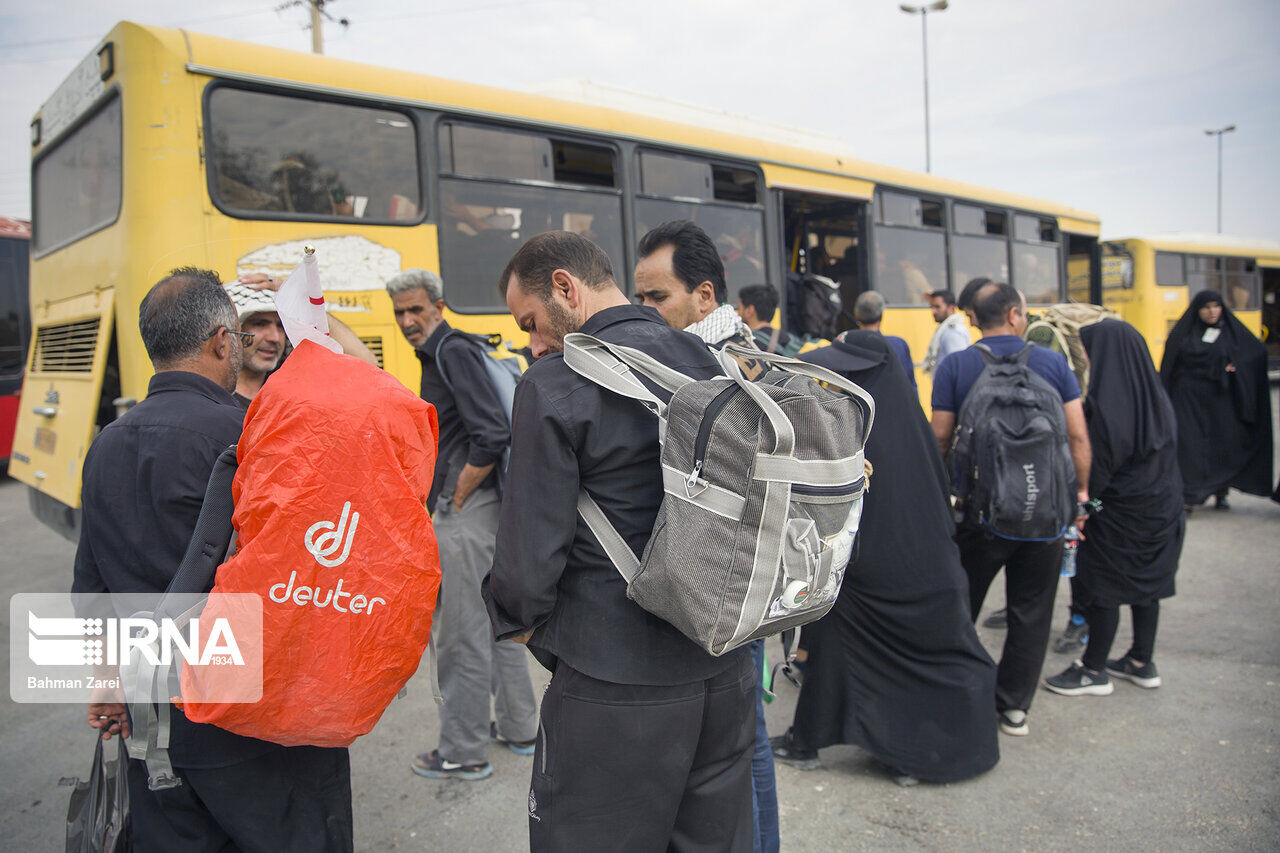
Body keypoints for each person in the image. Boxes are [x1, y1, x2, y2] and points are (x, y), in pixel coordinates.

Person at [486, 231, 756, 851]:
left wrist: (527, 629)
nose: (533, 342)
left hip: (613, 680)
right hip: (725, 669)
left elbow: (526, 564)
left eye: (532, 322)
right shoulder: (707, 359)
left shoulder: (554, 383)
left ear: (565, 287)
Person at [73, 267, 353, 851]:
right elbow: (309, 574)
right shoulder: (249, 434)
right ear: (222, 342)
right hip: (255, 718)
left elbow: (91, 584)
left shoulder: (105, 444)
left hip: (151, 723)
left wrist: (105, 678)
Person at [770, 330, 999, 785]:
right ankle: (808, 738)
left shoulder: (866, 425)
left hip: (885, 579)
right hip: (912, 573)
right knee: (839, 644)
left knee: (860, 649)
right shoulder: (904, 422)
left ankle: (900, 751)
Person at [635, 220, 777, 852]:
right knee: (745, 743)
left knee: (736, 749)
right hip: (738, 578)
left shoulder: (726, 367)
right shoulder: (717, 354)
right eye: (639, 298)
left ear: (705, 296)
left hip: (728, 581)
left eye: (657, 298)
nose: (645, 312)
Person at [386, 268, 539, 781]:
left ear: (438, 304)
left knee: (460, 635)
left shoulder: (450, 351)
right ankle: (520, 728)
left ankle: (462, 751)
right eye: (400, 312)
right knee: (496, 627)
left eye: (415, 309)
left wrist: (453, 495)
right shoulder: (449, 350)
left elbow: (491, 435)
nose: (408, 321)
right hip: (485, 510)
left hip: (467, 513)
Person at [930, 281, 1091, 737]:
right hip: (1046, 514)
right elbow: (1077, 436)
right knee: (1032, 611)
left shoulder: (957, 366)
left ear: (974, 319)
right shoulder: (1054, 363)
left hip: (980, 516)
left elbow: (940, 438)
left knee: (962, 606)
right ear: (1017, 314)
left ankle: (957, 696)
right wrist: (1078, 496)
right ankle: (1013, 707)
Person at [1044, 319, 1184, 696]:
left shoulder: (1105, 406)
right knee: (1147, 585)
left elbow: (1100, 472)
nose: (1084, 359)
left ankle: (1092, 669)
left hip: (1118, 514)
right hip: (1162, 508)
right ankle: (1141, 661)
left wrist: (1086, 507)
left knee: (1100, 584)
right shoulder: (1156, 397)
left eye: (1087, 351)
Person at [1159, 290, 1273, 511]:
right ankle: (1189, 495)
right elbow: (1171, 366)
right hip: (1188, 402)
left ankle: (1220, 492)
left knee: (1222, 446)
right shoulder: (1184, 334)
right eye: (1206, 307)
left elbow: (1255, 354)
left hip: (1221, 402)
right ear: (1197, 310)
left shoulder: (1231, 332)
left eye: (1216, 306)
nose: (1212, 312)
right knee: (1189, 449)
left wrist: (1236, 368)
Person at [223, 275, 377, 407]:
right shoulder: (216, 397)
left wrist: (303, 301)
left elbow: (369, 366)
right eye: (260, 324)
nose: (274, 338)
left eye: (281, 326)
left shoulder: (291, 392)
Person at [852, 290, 915, 388]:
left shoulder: (846, 344)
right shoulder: (898, 344)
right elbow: (909, 384)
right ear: (881, 317)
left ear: (856, 316)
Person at [737, 283, 800, 355]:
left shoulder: (746, 343)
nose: (738, 314)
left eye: (740, 309)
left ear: (750, 311)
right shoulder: (788, 338)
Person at [922, 289, 971, 376]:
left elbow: (958, 367)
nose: (933, 311)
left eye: (937, 307)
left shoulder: (953, 332)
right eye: (932, 307)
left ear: (951, 308)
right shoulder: (945, 329)